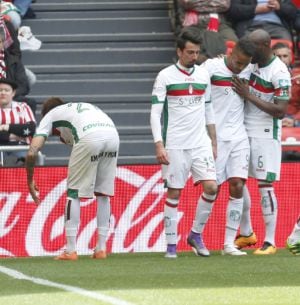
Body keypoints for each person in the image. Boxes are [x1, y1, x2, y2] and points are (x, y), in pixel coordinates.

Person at [150, 26, 218, 258]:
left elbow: (208, 109)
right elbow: (155, 113)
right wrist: (159, 143)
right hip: (175, 144)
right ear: (179, 51)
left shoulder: (203, 75)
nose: (194, 56)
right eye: (189, 52)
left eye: (197, 52)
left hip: (200, 142)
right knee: (174, 194)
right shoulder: (165, 76)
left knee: (212, 187)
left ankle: (195, 234)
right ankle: (171, 246)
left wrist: (214, 140)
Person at [25, 98, 120, 260]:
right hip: (113, 136)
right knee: (103, 193)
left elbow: (32, 152)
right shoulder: (80, 108)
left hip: (89, 137)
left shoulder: (50, 116)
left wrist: (30, 180)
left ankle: (70, 250)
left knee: (73, 193)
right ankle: (101, 249)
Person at [232, 29, 291, 254]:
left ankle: (270, 241)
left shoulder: (279, 72)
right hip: (242, 130)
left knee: (264, 186)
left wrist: (249, 95)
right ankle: (247, 233)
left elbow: (280, 111)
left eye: (252, 48)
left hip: (265, 134)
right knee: (237, 180)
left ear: (265, 46)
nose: (248, 52)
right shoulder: (250, 63)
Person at [201, 37, 256, 255]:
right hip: (215, 137)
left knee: (237, 184)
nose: (240, 67)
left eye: (244, 64)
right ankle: (197, 234)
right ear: (231, 53)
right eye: (238, 62)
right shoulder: (211, 67)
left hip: (239, 136)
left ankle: (228, 244)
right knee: (212, 188)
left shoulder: (249, 69)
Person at [0, 78, 35, 165]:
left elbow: (31, 129)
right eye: (0, 90)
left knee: (25, 161)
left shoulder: (23, 107)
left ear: (13, 93)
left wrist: (6, 127)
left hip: (21, 147)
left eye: (6, 90)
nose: (3, 92)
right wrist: (16, 135)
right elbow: (25, 130)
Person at [226, 0, 297, 42]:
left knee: (285, 43)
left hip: (277, 27)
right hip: (250, 27)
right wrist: (255, 9)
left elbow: (293, 13)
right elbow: (233, 11)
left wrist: (279, 7)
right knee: (245, 46)